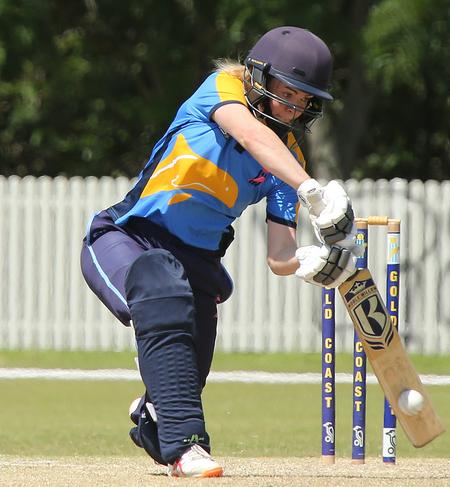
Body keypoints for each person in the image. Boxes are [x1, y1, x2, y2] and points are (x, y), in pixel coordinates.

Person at [80, 26, 361, 478]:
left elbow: (279, 255)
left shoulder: (286, 161)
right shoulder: (221, 90)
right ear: (258, 78)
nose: (294, 108)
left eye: (304, 101)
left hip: (196, 268)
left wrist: (311, 261)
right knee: (158, 281)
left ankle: (153, 415)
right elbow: (252, 137)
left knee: (173, 395)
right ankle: (189, 449)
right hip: (126, 238)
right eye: (286, 93)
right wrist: (312, 191)